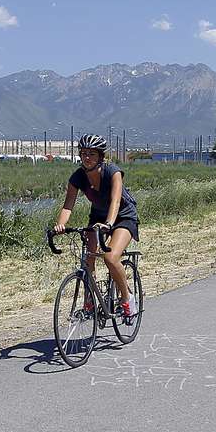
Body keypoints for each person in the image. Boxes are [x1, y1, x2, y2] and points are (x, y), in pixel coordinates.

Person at [51, 134, 139, 318]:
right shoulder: (78, 177)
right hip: (97, 217)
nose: (87, 157)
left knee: (110, 258)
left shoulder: (112, 172)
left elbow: (115, 201)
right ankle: (89, 302)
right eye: (83, 153)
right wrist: (60, 225)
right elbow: (68, 205)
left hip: (123, 216)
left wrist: (109, 224)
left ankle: (127, 297)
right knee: (87, 259)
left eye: (91, 153)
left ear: (100, 156)